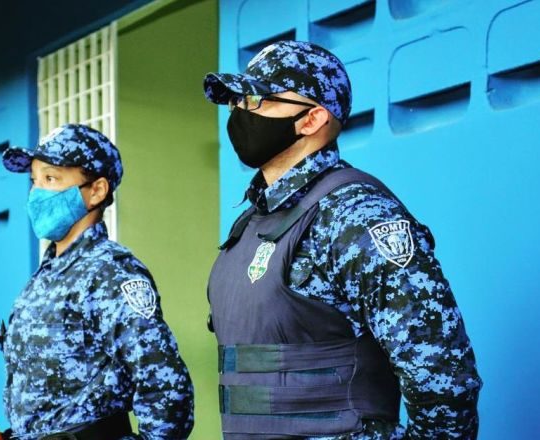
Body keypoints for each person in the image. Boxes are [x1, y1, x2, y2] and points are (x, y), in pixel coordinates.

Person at [203, 40, 481, 439]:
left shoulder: (355, 214)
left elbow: (442, 372)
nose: (239, 113)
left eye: (257, 100)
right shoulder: (251, 222)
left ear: (312, 119)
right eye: (236, 101)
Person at [0, 124, 194, 440]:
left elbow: (163, 383)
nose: (37, 193)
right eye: (34, 181)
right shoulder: (46, 276)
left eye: (51, 179)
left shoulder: (110, 271)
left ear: (97, 190)